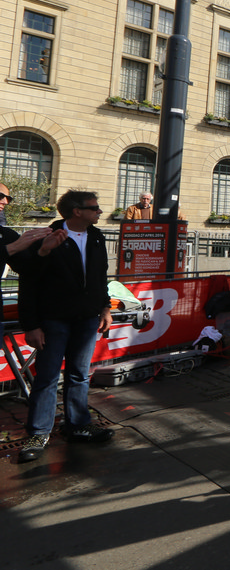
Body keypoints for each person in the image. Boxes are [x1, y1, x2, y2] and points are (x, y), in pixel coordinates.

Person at [18, 190, 115, 463]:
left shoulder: (96, 236)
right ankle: (38, 433)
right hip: (54, 319)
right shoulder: (47, 236)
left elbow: (100, 275)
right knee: (48, 377)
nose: (99, 211)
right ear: (77, 211)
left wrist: (105, 307)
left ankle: (78, 425)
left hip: (87, 318)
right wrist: (32, 325)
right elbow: (29, 281)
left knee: (79, 374)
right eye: (94, 207)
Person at [0, 183, 55, 326]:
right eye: (0, 196)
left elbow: (28, 269)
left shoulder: (6, 235)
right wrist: (10, 248)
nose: (5, 202)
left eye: (8, 198)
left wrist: (43, 251)